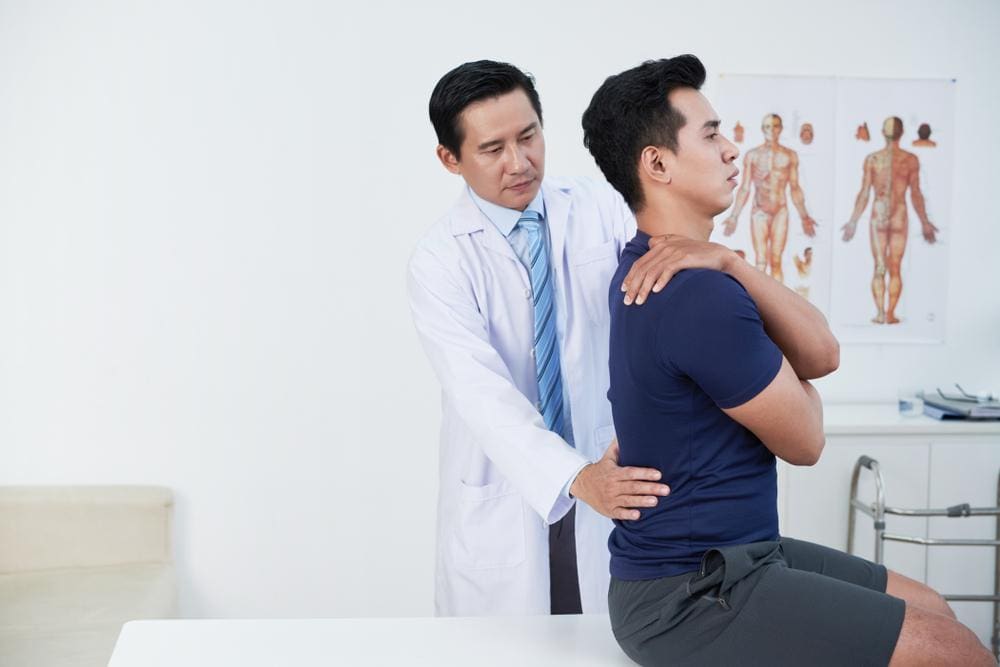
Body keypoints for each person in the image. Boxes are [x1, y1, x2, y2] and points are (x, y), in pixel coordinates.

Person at [582, 55, 992, 666]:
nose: (732, 150)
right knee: (957, 652)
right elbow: (806, 439)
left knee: (935, 608)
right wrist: (788, 367)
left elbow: (822, 351)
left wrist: (734, 262)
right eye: (712, 133)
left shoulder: (671, 266)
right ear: (658, 163)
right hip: (690, 594)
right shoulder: (692, 293)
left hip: (742, 553)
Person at [407, 61, 730, 616]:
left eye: (529, 135)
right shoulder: (440, 261)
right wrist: (576, 476)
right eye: (493, 148)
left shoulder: (600, 206)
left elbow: (671, 286)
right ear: (449, 158)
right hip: (509, 488)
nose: (520, 162)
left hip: (616, 468)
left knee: (610, 640)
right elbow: (480, 395)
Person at [842, 116, 939, 324]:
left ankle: (880, 313)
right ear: (902, 133)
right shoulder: (909, 159)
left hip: (879, 215)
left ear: (882, 132)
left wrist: (853, 221)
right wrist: (924, 222)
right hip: (898, 215)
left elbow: (865, 193)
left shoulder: (874, 159)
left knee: (880, 266)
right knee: (893, 267)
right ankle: (889, 314)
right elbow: (915, 194)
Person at [722, 113, 817, 284]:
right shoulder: (752, 155)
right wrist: (734, 217)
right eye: (767, 127)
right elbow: (744, 188)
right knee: (760, 261)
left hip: (780, 210)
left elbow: (795, 188)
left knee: (776, 261)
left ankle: (777, 309)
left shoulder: (790, 156)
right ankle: (758, 310)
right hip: (759, 211)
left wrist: (804, 217)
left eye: (774, 126)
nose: (771, 130)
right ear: (762, 129)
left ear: (780, 129)